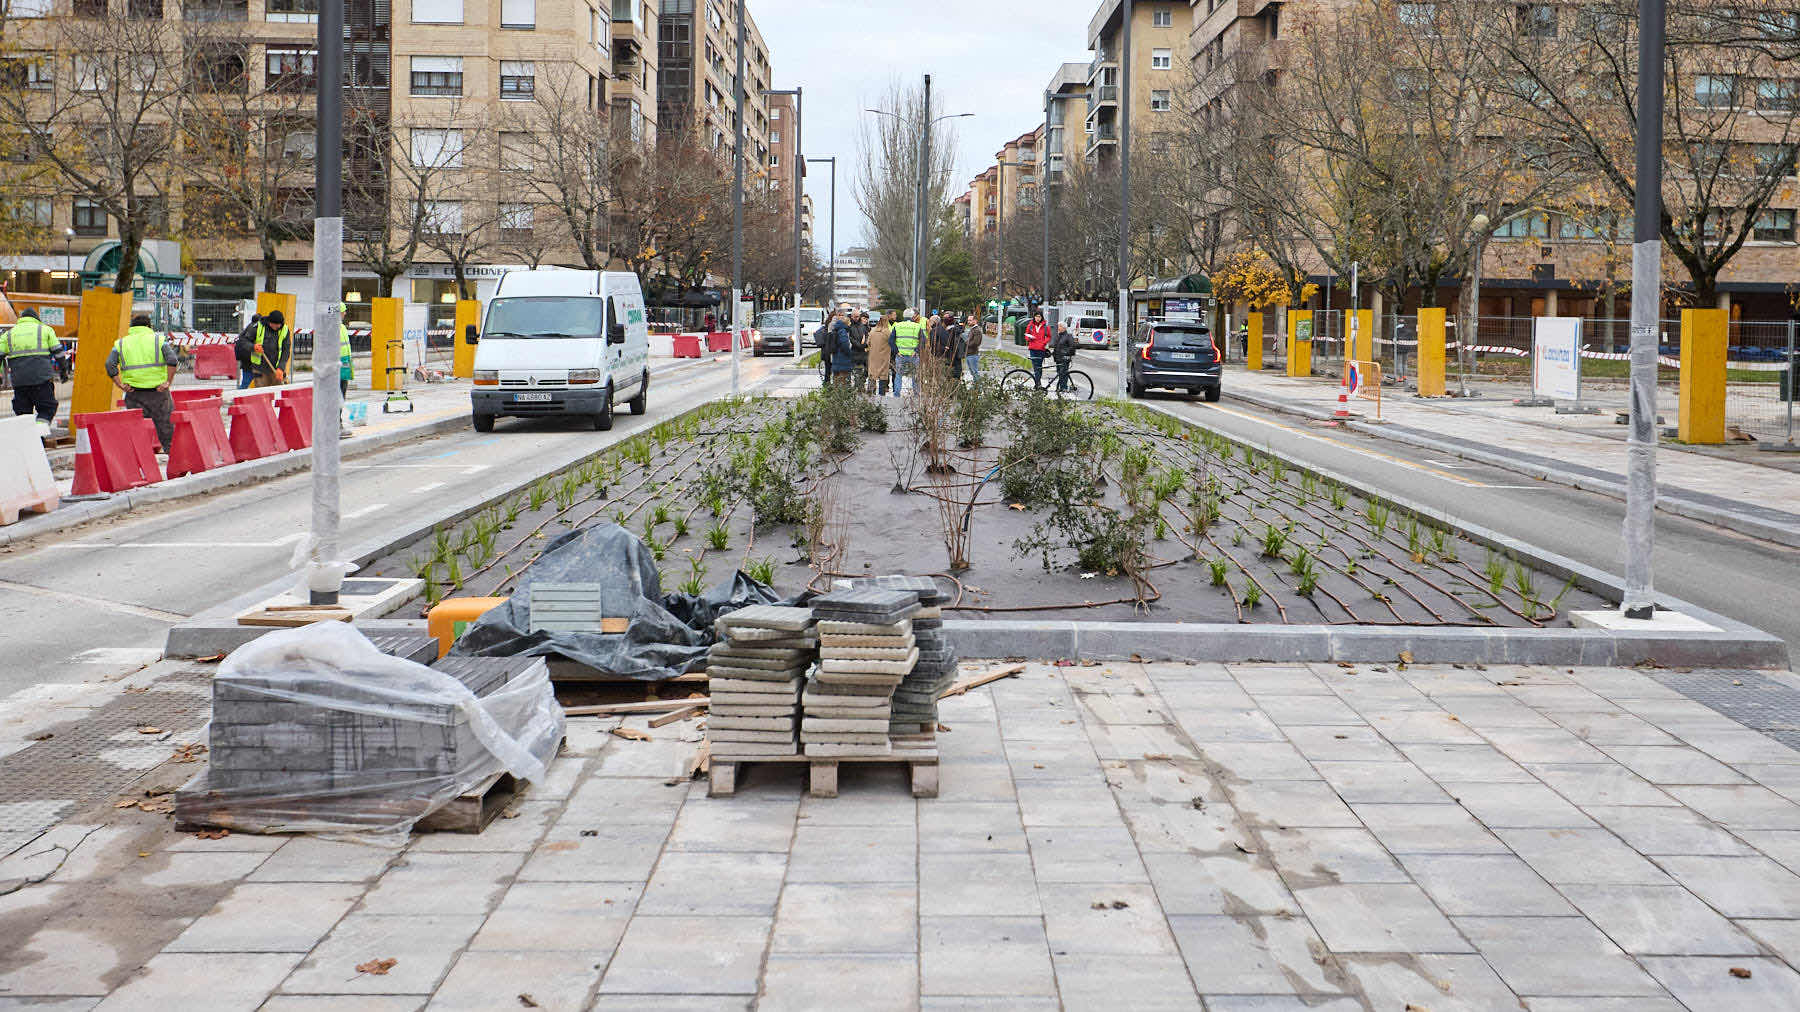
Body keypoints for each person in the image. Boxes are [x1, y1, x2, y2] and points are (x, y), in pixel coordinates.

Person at [106, 314, 178, 452]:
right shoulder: (159, 340)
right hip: (159, 393)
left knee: (136, 430)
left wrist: (119, 384)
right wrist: (168, 382)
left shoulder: (121, 343)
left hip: (134, 394)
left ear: (132, 327)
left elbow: (110, 364)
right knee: (166, 429)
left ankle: (139, 462)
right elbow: (172, 360)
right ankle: (174, 461)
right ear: (149, 326)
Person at [1, 308, 63, 425]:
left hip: (20, 381)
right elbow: (59, 353)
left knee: (23, 413)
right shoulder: (45, 330)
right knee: (46, 409)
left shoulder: (9, 334)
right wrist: (63, 371)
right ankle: (39, 435)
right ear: (36, 319)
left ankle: (29, 438)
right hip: (42, 379)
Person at [243, 309, 291, 388]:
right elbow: (243, 341)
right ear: (269, 321)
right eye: (273, 324)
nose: (275, 327)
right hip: (260, 370)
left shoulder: (285, 330)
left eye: (277, 325)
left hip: (276, 370)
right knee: (262, 396)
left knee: (277, 395)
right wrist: (253, 347)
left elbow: (286, 351)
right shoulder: (257, 326)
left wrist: (281, 367)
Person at [891, 308, 924, 394]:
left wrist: (896, 351)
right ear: (912, 316)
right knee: (915, 376)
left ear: (903, 316)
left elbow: (890, 341)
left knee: (898, 375)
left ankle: (897, 394)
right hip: (913, 355)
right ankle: (916, 394)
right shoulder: (917, 326)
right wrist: (916, 351)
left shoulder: (897, 326)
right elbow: (923, 341)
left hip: (900, 355)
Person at [867, 312, 894, 396]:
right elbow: (892, 343)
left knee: (872, 374)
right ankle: (881, 395)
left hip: (873, 357)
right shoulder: (887, 332)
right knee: (883, 376)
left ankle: (871, 393)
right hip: (884, 357)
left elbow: (868, 343)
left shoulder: (872, 331)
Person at [1024, 309, 1052, 387]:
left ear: (1041, 317)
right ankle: (1037, 383)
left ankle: (1038, 383)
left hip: (1041, 349)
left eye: (1039, 316)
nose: (1037, 318)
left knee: (1039, 367)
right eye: (1036, 316)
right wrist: (1029, 338)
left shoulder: (1045, 326)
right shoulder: (1030, 325)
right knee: (1035, 367)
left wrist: (1044, 342)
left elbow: (1049, 336)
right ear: (1034, 317)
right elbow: (1026, 335)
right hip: (1032, 348)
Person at [234, 313, 261, 389]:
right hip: (248, 357)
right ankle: (238, 395)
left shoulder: (250, 326)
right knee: (247, 381)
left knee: (247, 380)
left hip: (245, 357)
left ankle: (240, 393)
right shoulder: (255, 328)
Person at [828, 310, 856, 385]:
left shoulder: (836, 329)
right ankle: (842, 396)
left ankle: (835, 396)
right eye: (849, 322)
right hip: (843, 359)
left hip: (836, 357)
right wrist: (850, 353)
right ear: (846, 323)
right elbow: (845, 345)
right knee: (843, 381)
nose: (850, 324)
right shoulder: (843, 331)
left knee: (836, 380)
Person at [1051, 319, 1078, 393]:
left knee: (1063, 374)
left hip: (1064, 359)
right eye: (1058, 326)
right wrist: (1052, 353)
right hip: (1058, 359)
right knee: (1060, 373)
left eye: (1060, 326)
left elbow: (1072, 347)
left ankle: (1064, 388)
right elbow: (1056, 347)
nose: (1058, 328)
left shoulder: (1068, 336)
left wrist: (1065, 353)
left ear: (1064, 328)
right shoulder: (1059, 336)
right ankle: (1061, 388)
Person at [336, 305, 353, 399]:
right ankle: (335, 413)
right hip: (336, 365)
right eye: (343, 311)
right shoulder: (332, 327)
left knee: (342, 393)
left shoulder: (342, 327)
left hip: (344, 365)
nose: (345, 313)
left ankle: (339, 413)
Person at [963, 313, 984, 381]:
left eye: (970, 320)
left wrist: (966, 341)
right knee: (973, 372)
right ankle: (976, 387)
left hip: (973, 354)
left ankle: (978, 388)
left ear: (975, 321)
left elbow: (976, 343)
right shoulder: (972, 329)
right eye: (968, 320)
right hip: (969, 354)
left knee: (974, 372)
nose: (968, 322)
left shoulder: (976, 330)